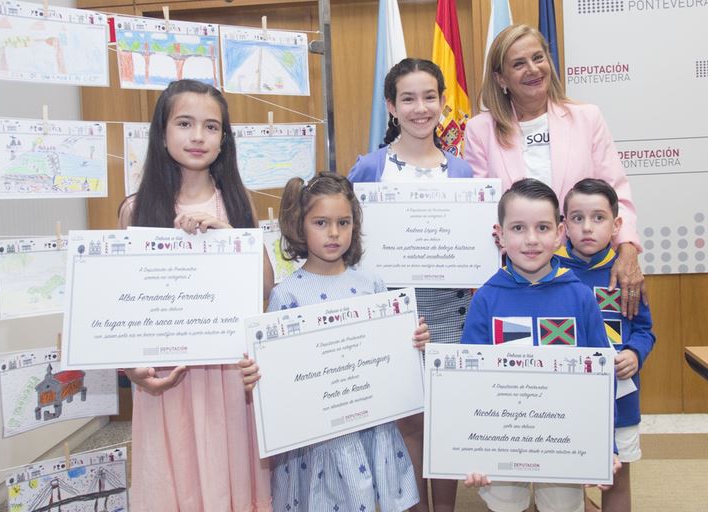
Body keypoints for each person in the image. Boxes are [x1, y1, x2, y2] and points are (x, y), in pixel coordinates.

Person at [118, 79, 273, 512]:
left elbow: (265, 287)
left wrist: (231, 238)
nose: (198, 136)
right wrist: (133, 369)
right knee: (176, 480)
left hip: (229, 377)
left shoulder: (237, 203)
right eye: (185, 123)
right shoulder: (136, 210)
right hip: (168, 377)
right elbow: (122, 300)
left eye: (211, 126)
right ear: (162, 133)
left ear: (224, 140)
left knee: (231, 480)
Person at [240, 172, 429, 512]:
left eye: (343, 222)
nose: (334, 233)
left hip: (370, 423)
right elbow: (276, 373)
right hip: (318, 438)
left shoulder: (372, 284)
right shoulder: (287, 295)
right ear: (300, 226)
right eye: (321, 222)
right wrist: (257, 373)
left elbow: (390, 355)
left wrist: (413, 341)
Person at [348, 57, 473, 512]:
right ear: (391, 106)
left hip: (450, 312)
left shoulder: (463, 172)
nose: (420, 108)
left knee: (446, 423)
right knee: (408, 425)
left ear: (443, 102)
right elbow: (347, 236)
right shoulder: (369, 169)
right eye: (408, 99)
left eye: (429, 97)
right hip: (392, 315)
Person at [464, 24, 645, 319]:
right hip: (516, 276)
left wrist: (627, 250)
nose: (533, 69)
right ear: (500, 78)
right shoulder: (479, 130)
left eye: (538, 58)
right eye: (518, 64)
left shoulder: (587, 118)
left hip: (581, 272)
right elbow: (479, 210)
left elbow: (616, 192)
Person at [460, 178, 620, 512]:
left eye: (543, 227)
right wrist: (471, 450)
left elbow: (602, 378)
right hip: (500, 438)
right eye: (518, 228)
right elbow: (468, 383)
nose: (531, 239)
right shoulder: (486, 298)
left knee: (562, 505)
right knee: (506, 504)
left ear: (560, 233)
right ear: (500, 235)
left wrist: (606, 445)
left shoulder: (580, 297)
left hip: (565, 436)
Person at [557, 179, 655, 512]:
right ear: (564, 225)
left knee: (617, 477)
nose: (587, 227)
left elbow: (644, 329)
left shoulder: (626, 274)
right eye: (577, 218)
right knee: (567, 483)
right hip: (566, 397)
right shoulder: (550, 272)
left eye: (598, 218)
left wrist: (634, 353)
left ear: (616, 225)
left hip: (620, 397)